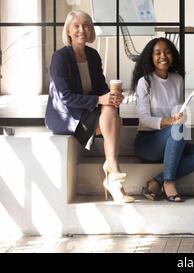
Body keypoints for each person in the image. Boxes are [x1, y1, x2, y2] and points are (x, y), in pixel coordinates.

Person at [45, 10, 134, 203]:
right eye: (76, 26)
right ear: (68, 31)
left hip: (87, 110)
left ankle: (112, 172)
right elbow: (65, 97)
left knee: (112, 112)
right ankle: (112, 170)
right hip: (67, 115)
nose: (81, 30)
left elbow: (100, 88)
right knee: (114, 120)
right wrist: (99, 101)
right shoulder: (60, 57)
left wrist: (112, 97)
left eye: (86, 26)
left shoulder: (93, 56)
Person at [131, 37, 194, 202]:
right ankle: (169, 182)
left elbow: (178, 112)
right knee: (177, 128)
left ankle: (157, 181)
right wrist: (170, 121)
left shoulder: (177, 79)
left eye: (167, 52)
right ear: (151, 57)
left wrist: (179, 117)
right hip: (147, 143)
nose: (163, 56)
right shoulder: (145, 81)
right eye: (158, 53)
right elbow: (144, 119)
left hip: (170, 141)